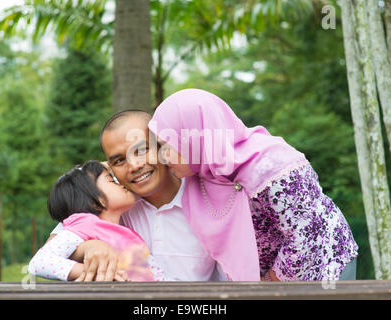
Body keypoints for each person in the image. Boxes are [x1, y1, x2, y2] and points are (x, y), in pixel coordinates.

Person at [148, 88, 359, 281]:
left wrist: (268, 283)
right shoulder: (201, 178)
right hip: (266, 285)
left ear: (195, 137)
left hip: (325, 265)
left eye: (167, 145)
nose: (162, 156)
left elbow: (305, 233)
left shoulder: (273, 164)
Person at [39, 111, 227, 282]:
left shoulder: (207, 195)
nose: (134, 165)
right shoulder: (115, 204)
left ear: (162, 147)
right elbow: (52, 247)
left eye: (142, 150)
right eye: (120, 160)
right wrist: (88, 247)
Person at [28, 160, 170, 281]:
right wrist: (90, 272)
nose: (120, 183)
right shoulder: (86, 223)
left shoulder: (120, 228)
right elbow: (39, 262)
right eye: (111, 180)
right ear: (96, 201)